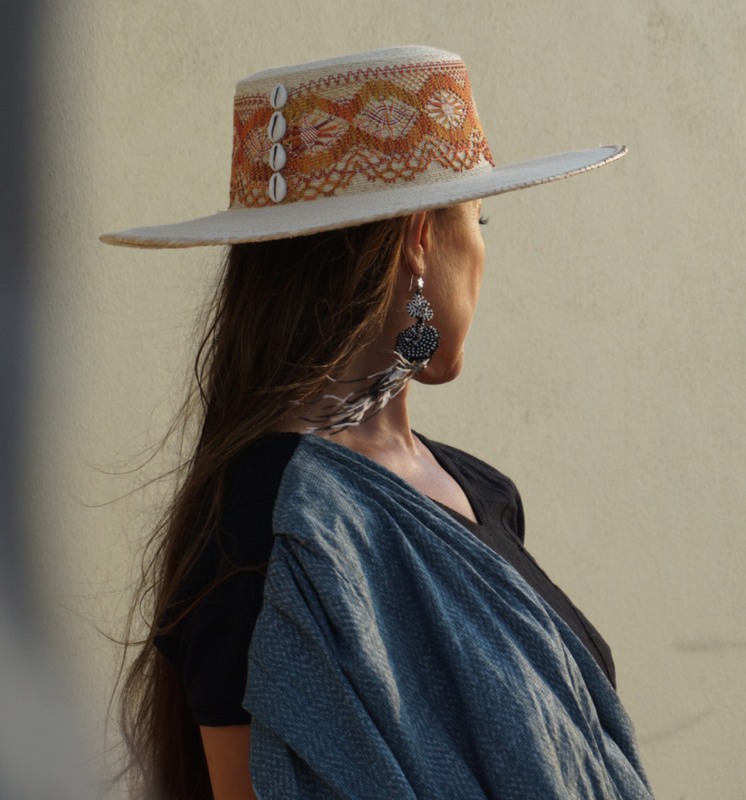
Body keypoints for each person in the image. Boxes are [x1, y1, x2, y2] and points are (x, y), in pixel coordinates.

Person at [101, 46, 653, 800]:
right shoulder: (269, 524)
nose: (485, 251)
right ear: (420, 237)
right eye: (479, 219)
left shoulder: (479, 491)